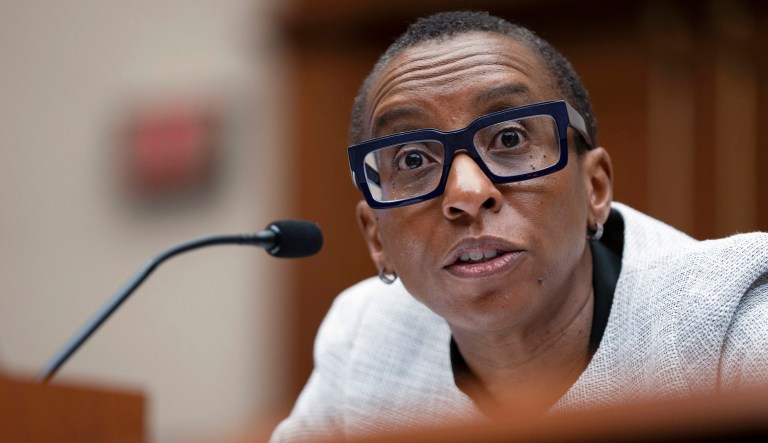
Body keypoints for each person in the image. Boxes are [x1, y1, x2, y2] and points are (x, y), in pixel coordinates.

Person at [271, 10, 768, 442]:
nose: (466, 194)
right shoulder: (364, 338)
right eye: (414, 157)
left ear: (594, 189)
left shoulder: (729, 319)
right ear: (377, 239)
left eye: (509, 137)